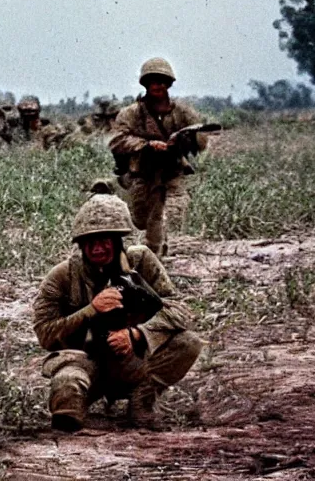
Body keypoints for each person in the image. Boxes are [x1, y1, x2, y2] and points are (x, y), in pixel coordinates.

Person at [32, 182, 202, 432]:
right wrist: (90, 310)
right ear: (81, 244)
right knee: (66, 398)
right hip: (84, 361)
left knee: (188, 343)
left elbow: (180, 311)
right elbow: (45, 334)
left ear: (118, 240)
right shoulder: (62, 276)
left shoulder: (140, 261)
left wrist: (137, 334)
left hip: (130, 360)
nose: (98, 248)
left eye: (105, 240)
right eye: (91, 242)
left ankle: (142, 399)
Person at [109, 58, 205, 256]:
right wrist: (146, 145)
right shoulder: (131, 113)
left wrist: (184, 141)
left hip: (172, 172)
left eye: (162, 81)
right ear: (145, 84)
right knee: (140, 219)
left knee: (169, 214)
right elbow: (117, 141)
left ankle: (158, 254)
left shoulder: (183, 112)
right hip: (143, 172)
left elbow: (202, 141)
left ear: (169, 84)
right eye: (152, 81)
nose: (157, 86)